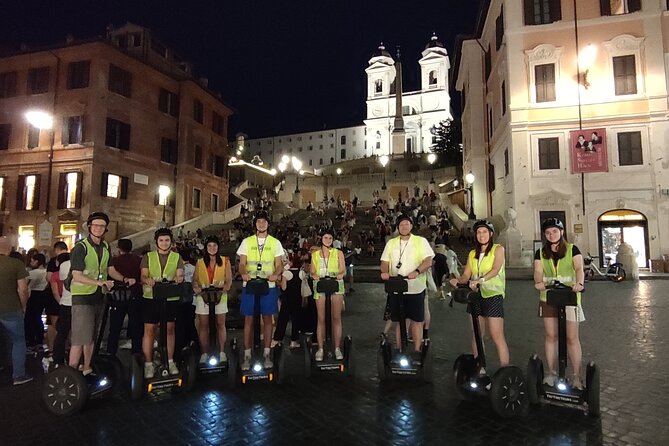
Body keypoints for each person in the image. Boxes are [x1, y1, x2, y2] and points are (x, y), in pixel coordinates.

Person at [449, 220, 509, 369]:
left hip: (493, 295)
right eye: (478, 232)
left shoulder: (498, 249)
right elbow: (466, 275)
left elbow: (496, 269)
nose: (481, 235)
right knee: (477, 334)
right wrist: (458, 281)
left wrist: (480, 280)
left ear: (490, 233)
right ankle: (479, 366)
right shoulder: (472, 254)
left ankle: (505, 369)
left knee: (496, 335)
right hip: (476, 296)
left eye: (484, 232)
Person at [534, 218, 586, 389]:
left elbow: (579, 268)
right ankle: (551, 372)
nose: (551, 235)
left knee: (571, 338)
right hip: (548, 298)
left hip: (570, 297)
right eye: (548, 232)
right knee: (551, 336)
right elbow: (538, 271)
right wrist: (538, 281)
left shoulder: (572, 249)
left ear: (562, 232)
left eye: (555, 231)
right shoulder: (541, 253)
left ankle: (576, 376)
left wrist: (579, 283)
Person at [68, 212, 120, 375]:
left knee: (92, 335)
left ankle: (87, 367)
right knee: (80, 337)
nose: (98, 228)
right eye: (95, 225)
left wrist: (125, 278)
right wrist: (99, 282)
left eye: (102, 226)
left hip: (99, 296)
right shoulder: (81, 247)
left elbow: (110, 269)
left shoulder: (106, 246)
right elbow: (77, 274)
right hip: (82, 296)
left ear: (106, 229)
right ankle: (71, 372)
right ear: (89, 227)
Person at [236, 210, 285, 370]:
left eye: (264, 221)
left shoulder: (275, 243)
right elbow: (242, 262)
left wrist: (276, 274)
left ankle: (266, 352)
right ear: (255, 224)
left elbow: (279, 264)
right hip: (250, 284)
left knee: (267, 318)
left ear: (268, 224)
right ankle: (247, 353)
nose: (261, 224)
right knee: (249, 319)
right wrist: (243, 273)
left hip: (268, 284)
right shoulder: (247, 242)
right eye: (259, 222)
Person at [380, 214, 434, 356]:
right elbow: (384, 262)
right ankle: (399, 349)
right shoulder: (391, 243)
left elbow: (428, 260)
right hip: (397, 287)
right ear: (397, 227)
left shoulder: (420, 241)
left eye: (407, 224)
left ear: (411, 225)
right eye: (401, 224)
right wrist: (385, 272)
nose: (404, 226)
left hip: (415, 287)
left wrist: (417, 271)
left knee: (417, 321)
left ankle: (417, 350)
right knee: (400, 321)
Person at [140, 228, 185, 378]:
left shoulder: (176, 257)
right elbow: (144, 275)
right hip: (151, 297)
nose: (164, 243)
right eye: (161, 240)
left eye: (167, 240)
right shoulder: (148, 256)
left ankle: (170, 360)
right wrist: (147, 280)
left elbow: (180, 274)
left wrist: (179, 278)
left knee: (170, 328)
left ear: (171, 242)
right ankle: (148, 363)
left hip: (170, 297)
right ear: (156, 242)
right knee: (150, 329)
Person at [192, 236, 232, 364]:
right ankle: (204, 352)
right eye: (209, 246)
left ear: (218, 247)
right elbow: (195, 280)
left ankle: (221, 352)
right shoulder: (200, 262)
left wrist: (226, 287)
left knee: (220, 324)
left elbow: (229, 279)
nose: (212, 248)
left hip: (219, 295)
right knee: (204, 325)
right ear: (206, 247)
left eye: (214, 245)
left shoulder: (225, 261)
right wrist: (196, 287)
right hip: (203, 296)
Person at [310, 228, 346, 361]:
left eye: (330, 238)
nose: (328, 240)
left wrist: (340, 274)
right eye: (326, 238)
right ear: (321, 239)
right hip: (320, 286)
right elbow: (312, 270)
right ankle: (320, 348)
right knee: (321, 319)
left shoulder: (338, 253)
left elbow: (343, 269)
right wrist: (314, 275)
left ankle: (336, 347)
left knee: (336, 318)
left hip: (335, 285)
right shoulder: (315, 254)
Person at [0, 236, 32, 385]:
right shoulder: (16, 264)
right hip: (11, 308)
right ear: (10, 248)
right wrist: (23, 305)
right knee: (18, 340)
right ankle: (18, 375)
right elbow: (23, 289)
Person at [106, 239, 142, 356]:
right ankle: (136, 352)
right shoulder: (138, 260)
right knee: (136, 326)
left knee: (115, 327)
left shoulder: (115, 261)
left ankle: (111, 352)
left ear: (119, 248)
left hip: (118, 297)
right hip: (136, 296)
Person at [272, 253, 304, 349]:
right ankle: (294, 341)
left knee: (283, 319)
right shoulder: (301, 273)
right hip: (297, 299)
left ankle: (277, 338)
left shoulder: (286, 273)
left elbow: (284, 287)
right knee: (296, 319)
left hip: (287, 299)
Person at [24, 253, 51, 352]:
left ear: (37, 261)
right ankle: (39, 341)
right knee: (38, 318)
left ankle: (30, 342)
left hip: (33, 296)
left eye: (32, 261)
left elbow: (25, 285)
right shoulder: (46, 271)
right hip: (43, 295)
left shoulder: (33, 273)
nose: (31, 263)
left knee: (29, 318)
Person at [45, 241, 68, 355]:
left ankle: (52, 349)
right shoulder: (73, 259)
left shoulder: (53, 262)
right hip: (69, 299)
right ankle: (67, 348)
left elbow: (49, 278)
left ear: (56, 249)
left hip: (54, 298)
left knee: (53, 324)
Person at [52, 253, 72, 366]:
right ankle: (74, 360)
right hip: (79, 304)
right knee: (76, 335)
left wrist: (60, 302)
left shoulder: (63, 266)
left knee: (61, 333)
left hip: (65, 303)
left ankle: (58, 359)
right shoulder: (83, 265)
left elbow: (56, 291)